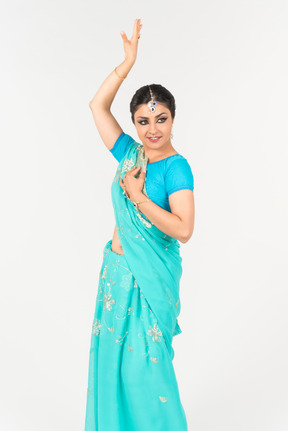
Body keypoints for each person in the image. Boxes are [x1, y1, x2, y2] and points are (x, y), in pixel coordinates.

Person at [84, 18, 195, 431]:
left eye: (161, 119)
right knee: (112, 367)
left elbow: (183, 229)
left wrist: (139, 197)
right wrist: (126, 64)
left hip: (150, 282)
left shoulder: (176, 168)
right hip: (116, 276)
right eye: (144, 121)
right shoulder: (130, 153)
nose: (152, 129)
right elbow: (97, 106)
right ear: (134, 123)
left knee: (145, 373)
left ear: (172, 119)